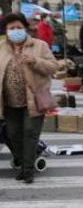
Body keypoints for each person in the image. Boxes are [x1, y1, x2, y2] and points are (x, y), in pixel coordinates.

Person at [0, 13, 60, 184]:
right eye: (11, 28)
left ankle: (27, 170)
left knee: (30, 134)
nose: (15, 31)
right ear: (6, 30)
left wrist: (35, 61)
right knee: (12, 135)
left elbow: (53, 67)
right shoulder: (1, 47)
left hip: (34, 100)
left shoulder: (39, 45)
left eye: (19, 27)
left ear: (25, 28)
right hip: (9, 101)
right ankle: (26, 162)